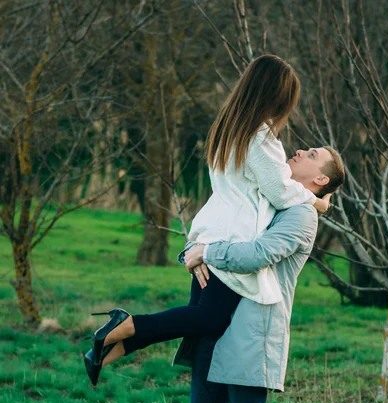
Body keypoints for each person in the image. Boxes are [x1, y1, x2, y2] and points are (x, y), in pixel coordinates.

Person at [84, 55, 331, 385]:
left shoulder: (230, 130)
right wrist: (317, 201)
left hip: (211, 231)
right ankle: (126, 325)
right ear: (279, 97)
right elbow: (280, 192)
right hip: (229, 239)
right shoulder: (260, 138)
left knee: (199, 319)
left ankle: (115, 346)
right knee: (211, 319)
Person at [169, 145, 345, 403]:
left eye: (312, 153)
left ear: (320, 179)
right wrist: (193, 252)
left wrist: (207, 252)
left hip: (253, 328)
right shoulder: (273, 196)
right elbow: (217, 225)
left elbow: (259, 254)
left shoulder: (300, 215)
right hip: (214, 316)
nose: (300, 149)